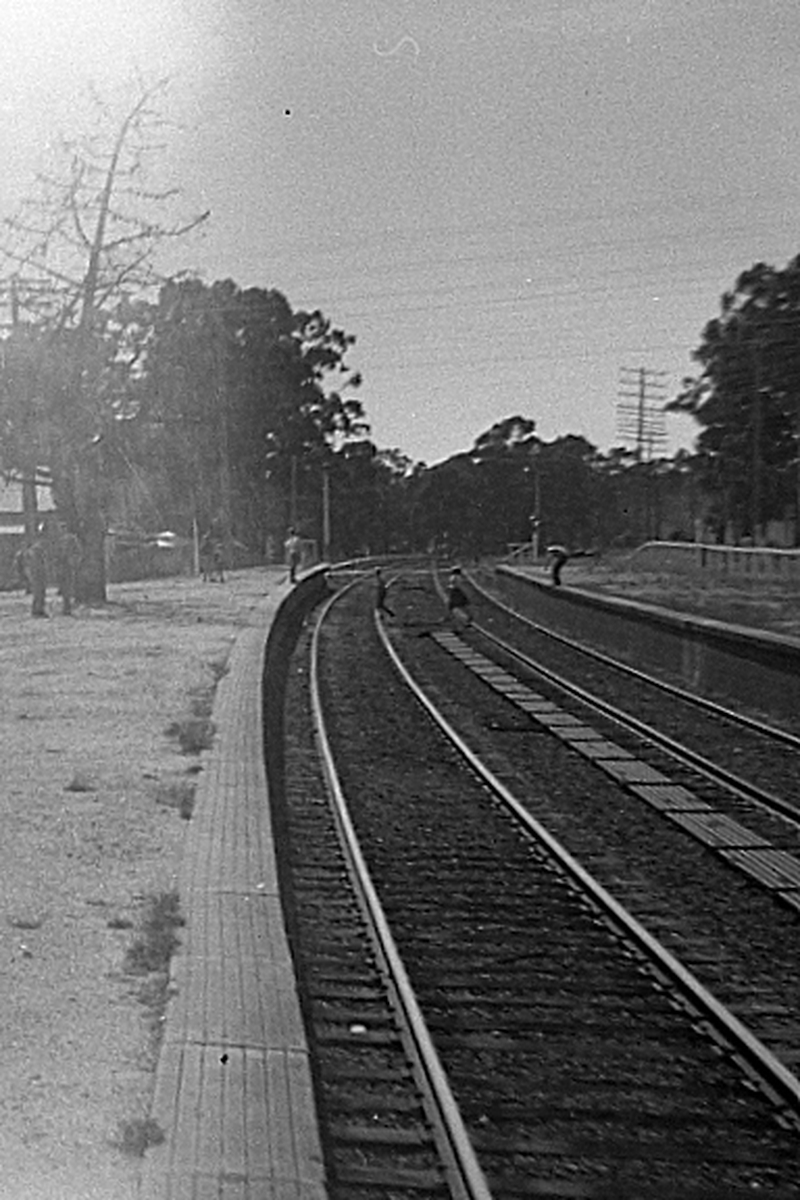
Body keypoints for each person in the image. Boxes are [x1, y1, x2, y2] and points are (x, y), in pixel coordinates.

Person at [22, 531, 48, 618]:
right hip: (38, 574)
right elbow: (38, 565)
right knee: (39, 593)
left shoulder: (31, 552)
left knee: (38, 593)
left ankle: (37, 610)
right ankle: (38, 610)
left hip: (36, 574)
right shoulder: (36, 551)